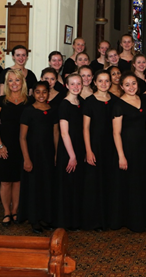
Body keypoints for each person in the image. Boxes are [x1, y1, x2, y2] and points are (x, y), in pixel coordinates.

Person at [113, 73, 146, 232]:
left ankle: (143, 218)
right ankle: (132, 221)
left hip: (143, 147)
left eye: (133, 83)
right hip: (128, 149)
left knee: (143, 182)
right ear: (121, 87)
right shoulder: (119, 105)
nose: (131, 87)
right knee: (131, 184)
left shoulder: (144, 100)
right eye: (127, 84)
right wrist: (121, 156)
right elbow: (116, 133)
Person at [18, 81, 59, 233]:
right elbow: (22, 137)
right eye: (38, 92)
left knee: (47, 185)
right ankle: (34, 219)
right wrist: (26, 158)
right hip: (33, 154)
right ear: (33, 93)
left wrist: (56, 153)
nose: (41, 95)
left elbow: (55, 133)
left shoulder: (53, 110)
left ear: (48, 93)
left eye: (44, 92)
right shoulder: (28, 111)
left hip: (48, 154)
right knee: (34, 186)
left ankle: (45, 217)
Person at [0, 69, 30, 227]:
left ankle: (15, 211)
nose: (14, 83)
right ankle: (6, 212)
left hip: (23, 146)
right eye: (10, 80)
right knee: (6, 181)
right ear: (7, 83)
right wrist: (0, 145)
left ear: (22, 82)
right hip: (5, 146)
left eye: (17, 80)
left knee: (18, 181)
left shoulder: (29, 101)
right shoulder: (1, 101)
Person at [81, 71, 116, 230]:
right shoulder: (89, 102)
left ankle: (108, 218)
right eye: (100, 81)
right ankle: (94, 220)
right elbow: (85, 128)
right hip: (95, 146)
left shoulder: (115, 101)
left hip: (111, 146)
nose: (104, 84)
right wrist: (88, 150)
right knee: (94, 183)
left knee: (109, 182)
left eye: (106, 81)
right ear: (94, 82)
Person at [53, 74, 85, 230]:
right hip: (68, 150)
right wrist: (72, 156)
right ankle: (65, 221)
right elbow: (64, 133)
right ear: (66, 85)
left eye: (78, 83)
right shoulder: (64, 105)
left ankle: (76, 220)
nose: (76, 86)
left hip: (79, 147)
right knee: (67, 185)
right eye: (72, 84)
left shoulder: (81, 102)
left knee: (77, 185)